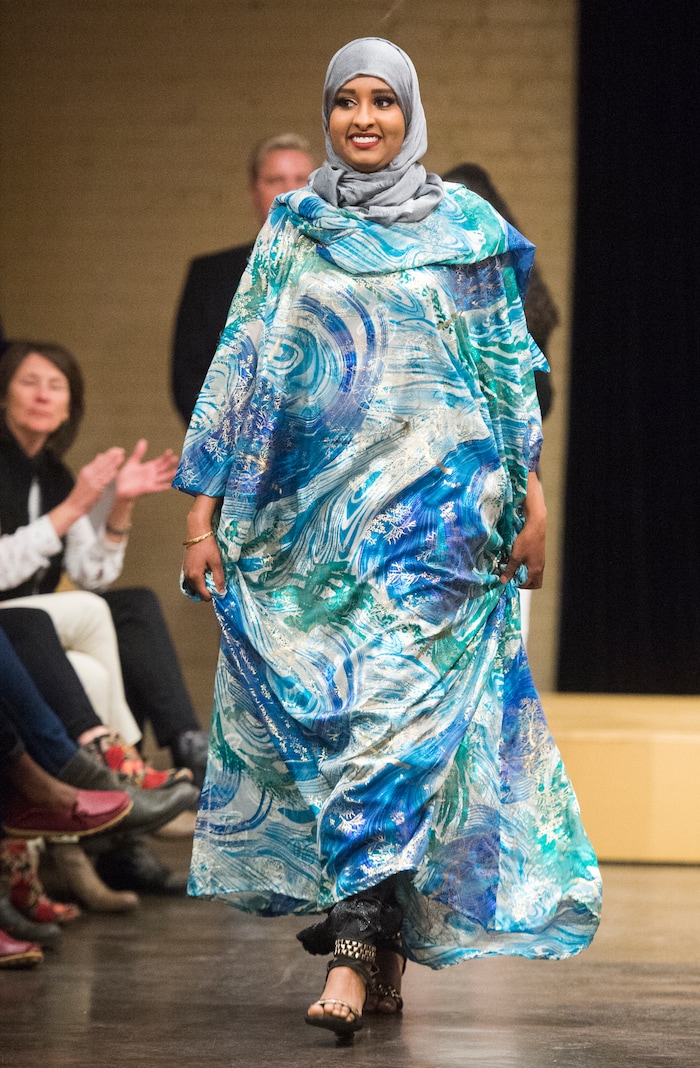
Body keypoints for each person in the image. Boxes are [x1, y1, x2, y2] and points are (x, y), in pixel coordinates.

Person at [175, 37, 602, 1041]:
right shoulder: (295, 230)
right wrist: (199, 513)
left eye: (382, 103)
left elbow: (507, 374)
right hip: (310, 534)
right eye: (345, 103)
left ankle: (356, 958)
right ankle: (390, 943)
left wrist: (532, 500)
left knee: (397, 730)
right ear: (328, 114)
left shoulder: (468, 230)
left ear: (412, 115)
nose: (363, 120)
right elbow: (240, 372)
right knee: (345, 730)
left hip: (442, 531)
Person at [0, 341, 209, 786]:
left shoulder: (54, 474)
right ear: (3, 396)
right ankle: (126, 763)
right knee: (91, 615)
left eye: (56, 387)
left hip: (39, 620)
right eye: (30, 383)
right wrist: (75, 507)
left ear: (68, 407)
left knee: (136, 604)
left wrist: (120, 505)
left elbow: (89, 574)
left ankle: (188, 743)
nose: (43, 395)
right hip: (11, 625)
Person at [442, 162, 561, 646]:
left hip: (497, 483)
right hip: (447, 486)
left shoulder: (514, 298)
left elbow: (541, 400)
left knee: (497, 637)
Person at [171, 133, 316, 424]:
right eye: (275, 180)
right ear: (254, 191)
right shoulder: (210, 275)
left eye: (302, 179)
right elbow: (188, 378)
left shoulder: (346, 269)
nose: (290, 191)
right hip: (230, 451)